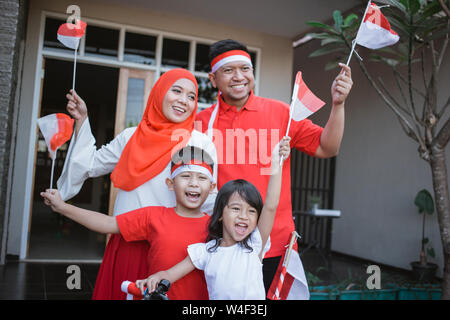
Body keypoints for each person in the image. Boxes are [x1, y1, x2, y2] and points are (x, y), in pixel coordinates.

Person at [195, 39, 353, 297]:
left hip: (274, 243)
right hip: (219, 243)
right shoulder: (200, 122)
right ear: (213, 79)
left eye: (245, 69)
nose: (239, 77)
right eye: (228, 70)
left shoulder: (281, 113)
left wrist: (338, 105)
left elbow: (327, 147)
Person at [58, 68, 217, 299]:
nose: (184, 100)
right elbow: (89, 165)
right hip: (129, 243)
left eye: (191, 96)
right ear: (160, 92)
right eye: (177, 91)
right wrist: (82, 120)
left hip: (176, 252)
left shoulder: (201, 143)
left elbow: (209, 199)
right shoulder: (131, 136)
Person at [42, 146, 216, 300]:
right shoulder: (153, 216)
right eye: (185, 176)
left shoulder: (216, 227)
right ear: (170, 184)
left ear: (212, 187)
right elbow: (107, 223)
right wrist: (62, 207)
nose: (193, 183)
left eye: (202, 178)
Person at [135, 136, 290, 300]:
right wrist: (155, 279)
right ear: (221, 215)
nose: (243, 216)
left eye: (251, 211)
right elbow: (169, 274)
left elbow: (271, 206)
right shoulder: (206, 251)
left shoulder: (254, 244)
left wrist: (275, 162)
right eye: (236, 208)